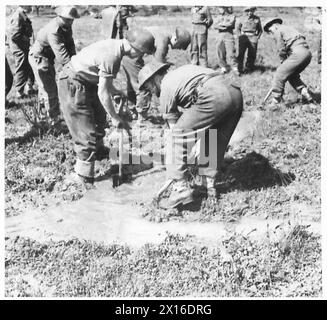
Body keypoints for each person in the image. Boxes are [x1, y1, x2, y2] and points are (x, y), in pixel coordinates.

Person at [138, 61, 243, 208]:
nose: (150, 91)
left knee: (177, 136)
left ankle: (179, 189)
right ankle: (209, 188)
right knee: (213, 135)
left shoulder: (166, 86)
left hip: (214, 93)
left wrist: (175, 172)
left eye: (148, 86)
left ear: (155, 78)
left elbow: (175, 132)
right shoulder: (182, 73)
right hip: (234, 91)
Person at [57, 28, 155, 185]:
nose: (141, 57)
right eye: (143, 53)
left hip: (87, 82)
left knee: (99, 119)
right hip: (73, 83)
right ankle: (83, 176)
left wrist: (116, 92)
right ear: (136, 49)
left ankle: (99, 151)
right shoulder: (112, 56)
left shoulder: (116, 47)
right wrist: (115, 118)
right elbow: (103, 93)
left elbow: (101, 81)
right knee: (85, 131)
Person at [121, 26, 191, 120]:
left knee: (133, 84)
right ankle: (142, 119)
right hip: (132, 57)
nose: (178, 49)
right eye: (179, 46)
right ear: (175, 39)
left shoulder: (162, 32)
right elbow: (156, 69)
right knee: (144, 87)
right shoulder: (163, 42)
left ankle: (131, 111)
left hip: (128, 54)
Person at [29, 6, 80, 123]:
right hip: (39, 57)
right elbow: (62, 57)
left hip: (48, 57)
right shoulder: (54, 30)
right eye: (67, 19)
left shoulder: (66, 26)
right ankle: (54, 120)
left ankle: (43, 114)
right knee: (50, 89)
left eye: (72, 19)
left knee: (45, 87)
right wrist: (73, 71)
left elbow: (70, 45)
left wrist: (76, 62)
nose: (70, 22)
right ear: (59, 16)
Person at [263, 17, 313, 105]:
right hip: (306, 53)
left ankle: (275, 100)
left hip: (298, 53)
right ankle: (305, 93)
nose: (270, 33)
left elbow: (281, 48)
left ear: (273, 25)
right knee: (291, 75)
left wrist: (283, 60)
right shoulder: (288, 28)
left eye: (269, 30)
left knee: (280, 73)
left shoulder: (277, 30)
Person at [7, 5, 35, 99]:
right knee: (22, 67)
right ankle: (19, 92)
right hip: (19, 47)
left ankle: (28, 87)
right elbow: (14, 35)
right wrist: (25, 38)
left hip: (23, 46)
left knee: (28, 65)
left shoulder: (22, 14)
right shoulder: (18, 15)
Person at [235, 7, 262, 74]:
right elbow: (237, 29)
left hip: (253, 37)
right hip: (243, 37)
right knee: (241, 54)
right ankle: (240, 69)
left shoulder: (257, 19)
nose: (250, 13)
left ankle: (249, 69)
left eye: (251, 11)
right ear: (246, 11)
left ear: (254, 11)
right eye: (248, 11)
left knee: (252, 54)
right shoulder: (241, 18)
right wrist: (239, 36)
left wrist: (257, 37)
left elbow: (260, 30)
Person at [214, 6, 239, 75]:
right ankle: (223, 67)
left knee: (231, 52)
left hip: (229, 35)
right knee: (220, 52)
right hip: (220, 36)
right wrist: (225, 25)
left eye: (221, 8)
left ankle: (235, 68)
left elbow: (231, 24)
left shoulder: (232, 16)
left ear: (225, 8)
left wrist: (221, 24)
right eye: (219, 8)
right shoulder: (218, 16)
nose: (219, 9)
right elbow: (215, 25)